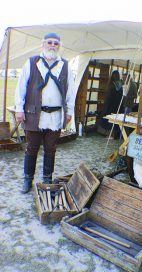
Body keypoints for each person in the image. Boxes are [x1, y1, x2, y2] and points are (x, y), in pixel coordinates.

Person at [15, 32, 76, 193]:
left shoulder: (65, 65)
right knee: (32, 147)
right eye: (49, 42)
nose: (52, 46)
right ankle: (28, 179)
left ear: (59, 46)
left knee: (51, 148)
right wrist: (19, 109)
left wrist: (69, 112)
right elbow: (21, 87)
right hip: (34, 114)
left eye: (56, 43)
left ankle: (47, 179)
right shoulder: (32, 62)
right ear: (43, 44)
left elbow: (71, 91)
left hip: (55, 116)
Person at [97, 70, 123, 138]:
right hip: (117, 106)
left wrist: (106, 105)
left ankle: (110, 134)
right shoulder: (119, 85)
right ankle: (113, 134)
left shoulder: (113, 85)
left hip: (111, 106)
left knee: (109, 120)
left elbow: (109, 97)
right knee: (114, 121)